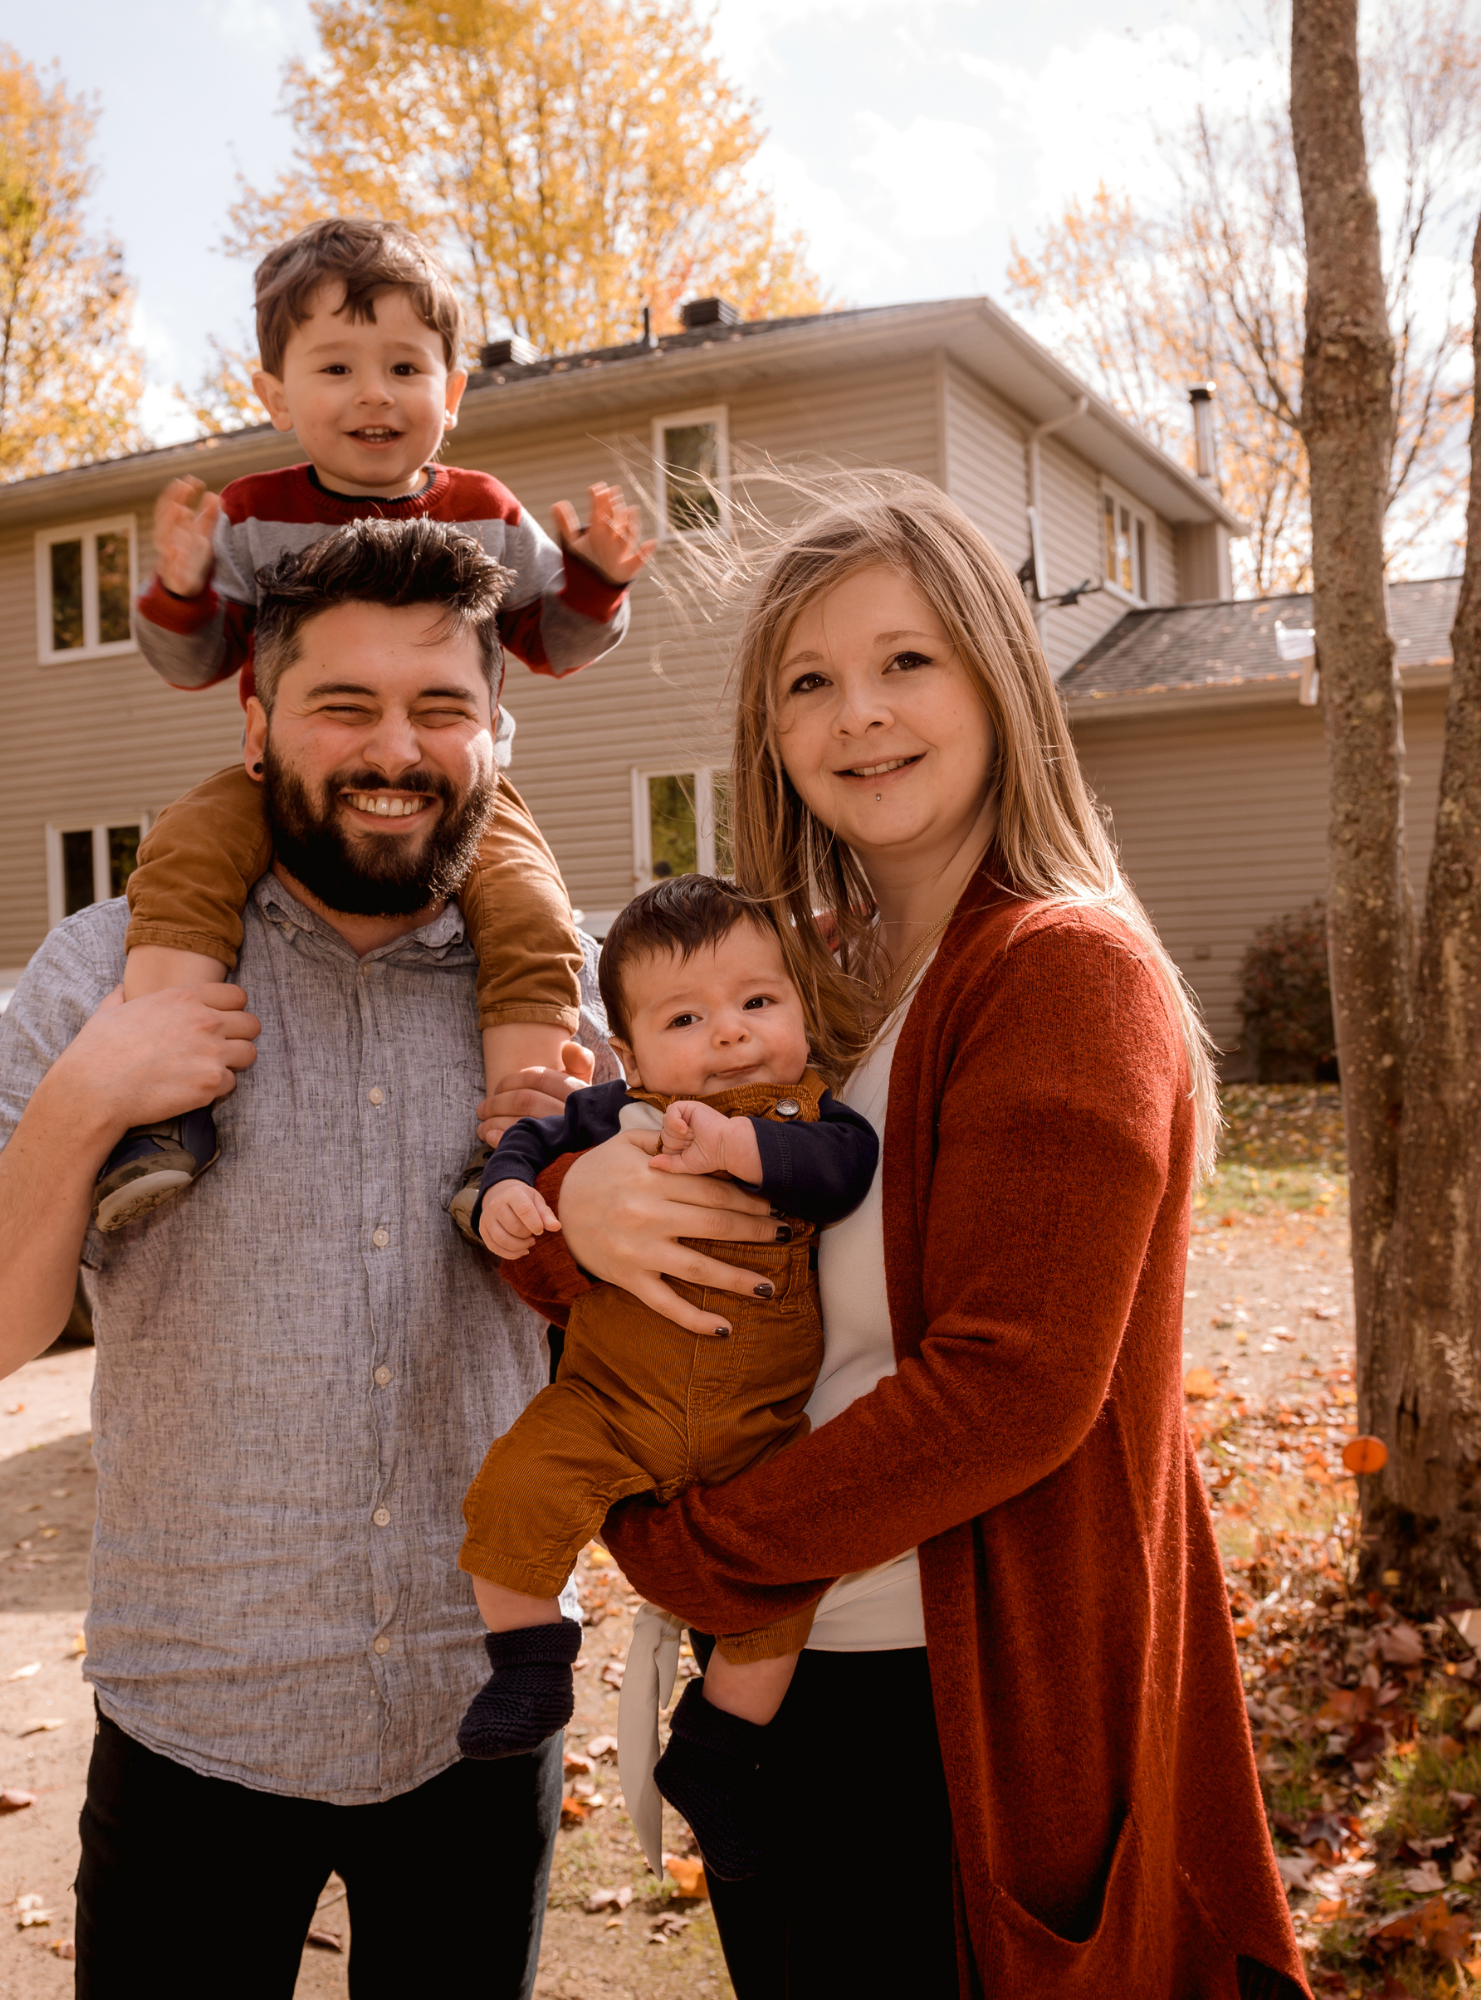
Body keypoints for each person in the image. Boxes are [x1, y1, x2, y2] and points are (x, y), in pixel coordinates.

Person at [508, 482, 1310, 1998]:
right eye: (809, 681)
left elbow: (1006, 1389)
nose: (858, 716)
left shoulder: (1060, 971)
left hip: (943, 1715)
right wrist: (576, 1206)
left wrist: (685, 1555)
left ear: (998, 680)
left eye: (906, 663)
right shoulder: (800, 995)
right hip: (801, 1695)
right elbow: (616, 1211)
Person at [0, 517, 610, 1997]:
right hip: (197, 1718)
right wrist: (90, 1095)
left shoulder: (574, 1000)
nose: (392, 751)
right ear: (260, 721)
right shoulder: (105, 971)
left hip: (485, 1714)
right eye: (344, 706)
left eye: (438, 709)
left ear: (496, 731)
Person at [97, 215, 651, 1234]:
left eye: (404, 365)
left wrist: (599, 581)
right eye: (337, 365)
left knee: (530, 909)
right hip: (283, 783)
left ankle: (520, 1144)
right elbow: (195, 660)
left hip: (462, 802)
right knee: (184, 854)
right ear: (273, 395)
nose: (373, 393)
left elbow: (550, 641)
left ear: (452, 390)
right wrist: (180, 588)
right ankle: (160, 1111)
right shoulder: (252, 514)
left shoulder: (484, 507)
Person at [455, 873, 878, 1882]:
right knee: (512, 1487)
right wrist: (507, 1188)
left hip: (759, 1430)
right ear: (631, 1053)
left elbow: (843, 1172)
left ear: (799, 1009)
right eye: (687, 1017)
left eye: (757, 1002)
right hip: (611, 1404)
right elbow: (529, 1135)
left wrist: (740, 1141)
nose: (730, 1034)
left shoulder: (817, 1115)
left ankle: (715, 1750)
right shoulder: (613, 1112)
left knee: (782, 1594)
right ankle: (528, 1661)